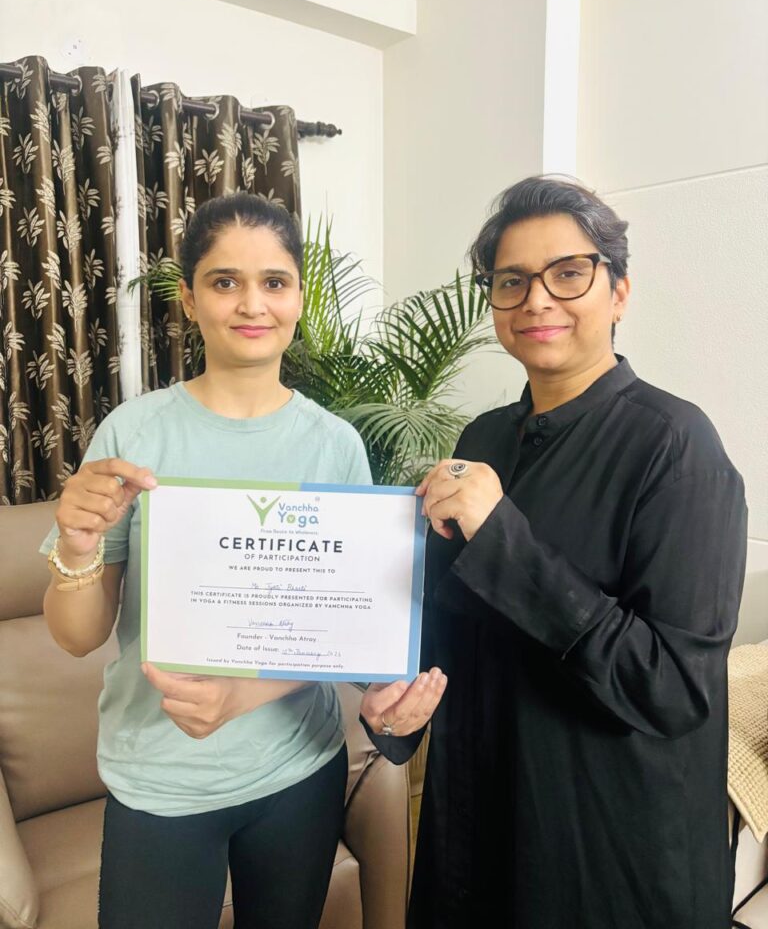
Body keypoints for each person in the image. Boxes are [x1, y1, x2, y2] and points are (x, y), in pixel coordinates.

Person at [360, 176, 747, 929]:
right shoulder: (483, 440)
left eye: (568, 273)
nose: (537, 300)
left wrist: (502, 533)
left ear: (619, 291)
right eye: (511, 281)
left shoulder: (675, 446)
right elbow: (446, 631)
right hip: (475, 828)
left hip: (603, 851)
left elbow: (671, 689)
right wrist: (393, 714)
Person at [41, 192, 391, 929]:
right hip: (160, 777)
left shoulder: (335, 445)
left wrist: (246, 694)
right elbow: (77, 635)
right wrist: (76, 549)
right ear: (191, 300)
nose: (251, 304)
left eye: (274, 281)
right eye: (225, 282)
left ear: (298, 296)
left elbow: (349, 629)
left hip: (299, 768)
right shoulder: (134, 433)